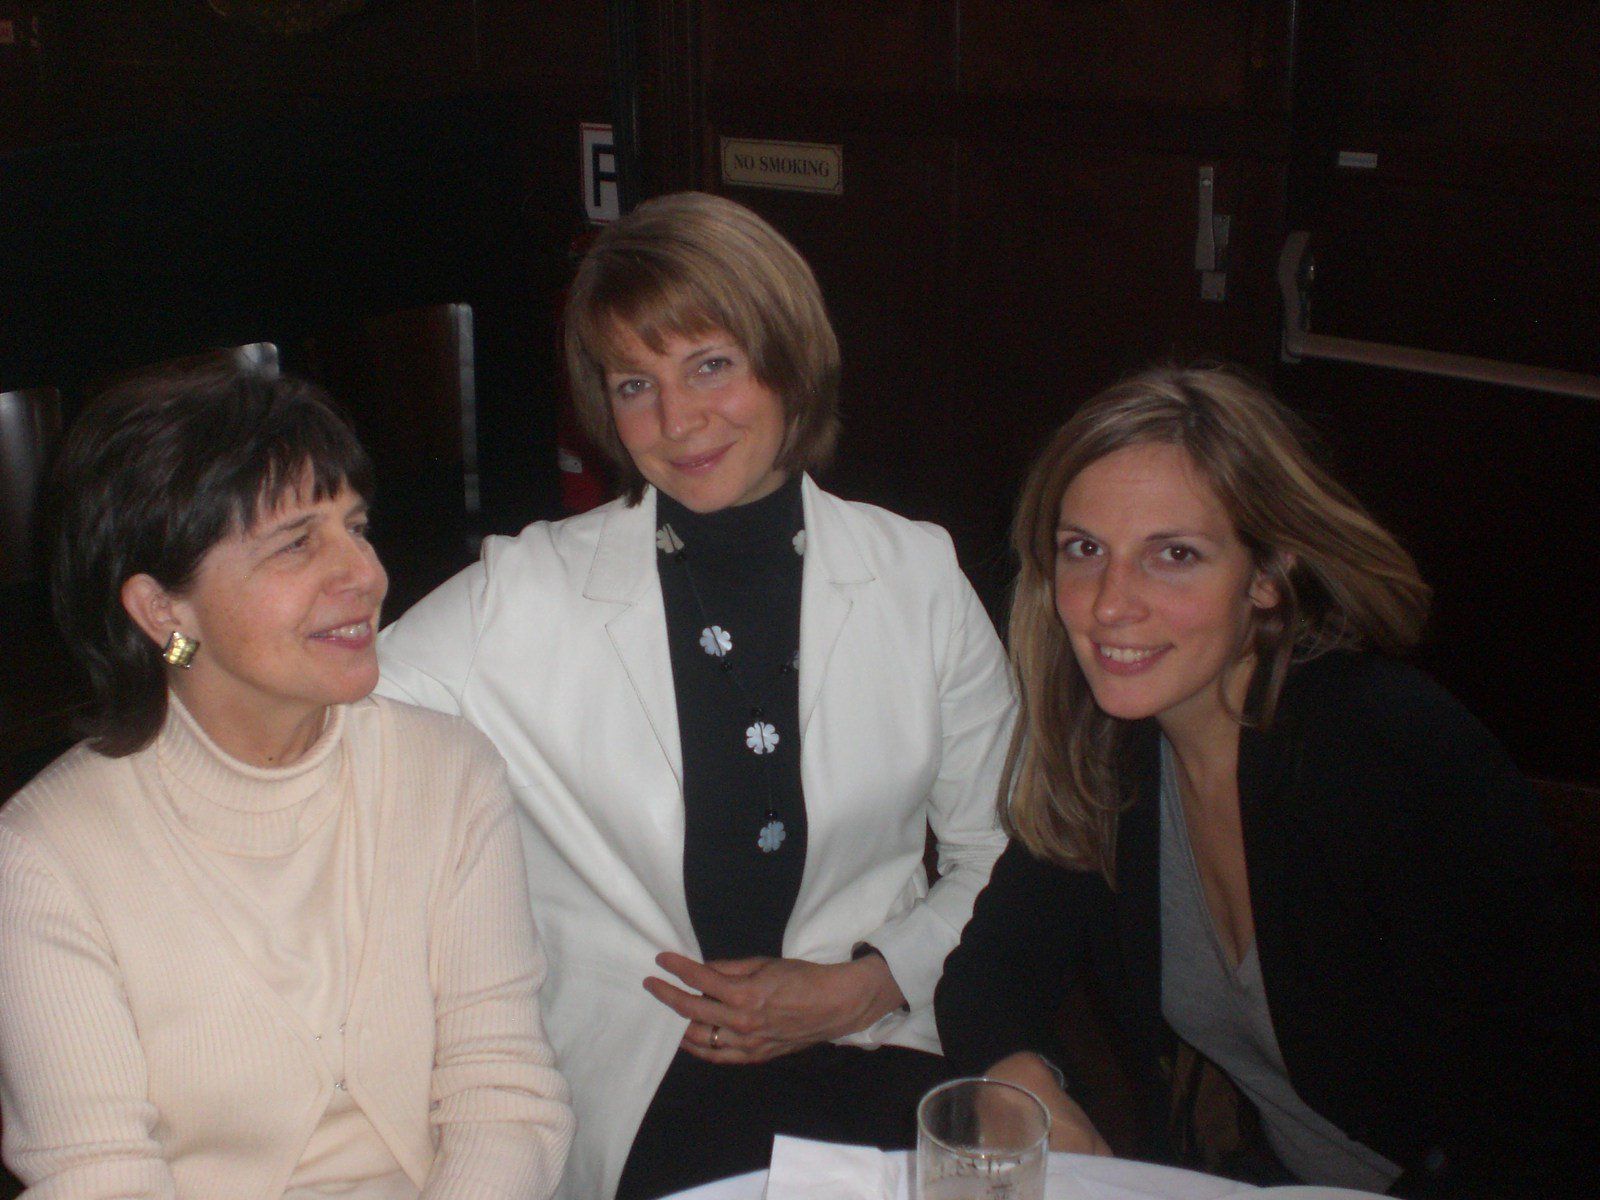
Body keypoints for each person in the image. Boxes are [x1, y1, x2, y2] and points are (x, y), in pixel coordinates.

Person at [377, 192, 1015, 1199]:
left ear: (788, 359)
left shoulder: (918, 578)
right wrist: (182, 639)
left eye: (711, 365)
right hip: (638, 1080)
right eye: (636, 384)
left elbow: (1006, 850)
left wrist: (871, 982)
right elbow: (321, 703)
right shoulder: (523, 595)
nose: (677, 422)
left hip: (874, 1043)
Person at [935, 365, 1588, 1198]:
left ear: (1269, 576)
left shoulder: (1386, 753)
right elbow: (989, 977)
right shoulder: (1113, 748)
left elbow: (1544, 1119)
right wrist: (1021, 1086)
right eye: (1084, 549)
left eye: (1174, 555)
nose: (1108, 605)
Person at [0, 365, 574, 1198]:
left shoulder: (448, 773)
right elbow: (95, 1174)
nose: (366, 574)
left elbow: (502, 1091)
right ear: (162, 611)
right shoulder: (46, 856)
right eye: (297, 544)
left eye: (356, 527)